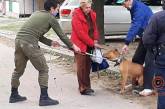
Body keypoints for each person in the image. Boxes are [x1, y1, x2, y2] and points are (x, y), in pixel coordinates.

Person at [9, 0, 80, 106]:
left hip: (19, 41)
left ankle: (13, 95)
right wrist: (73, 46)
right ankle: (44, 98)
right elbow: (62, 35)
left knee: (18, 70)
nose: (57, 11)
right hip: (29, 44)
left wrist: (50, 42)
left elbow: (36, 33)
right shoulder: (51, 18)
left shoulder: (36, 13)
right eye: (57, 9)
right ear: (52, 9)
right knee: (43, 69)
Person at [120, 0, 154, 95]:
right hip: (145, 36)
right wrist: (134, 36)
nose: (123, 6)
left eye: (123, 3)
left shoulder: (139, 9)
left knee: (149, 62)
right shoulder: (133, 7)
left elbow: (136, 25)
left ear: (129, 0)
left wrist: (126, 43)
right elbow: (136, 24)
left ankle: (148, 87)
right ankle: (135, 83)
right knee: (137, 59)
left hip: (152, 38)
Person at [71, 0, 102, 95]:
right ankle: (82, 88)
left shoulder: (91, 14)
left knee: (87, 66)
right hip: (79, 44)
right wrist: (92, 43)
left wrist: (96, 39)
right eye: (86, 7)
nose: (89, 9)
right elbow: (80, 34)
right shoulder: (76, 16)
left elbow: (95, 28)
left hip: (90, 43)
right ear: (82, 7)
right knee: (81, 66)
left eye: (90, 7)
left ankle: (87, 86)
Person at [143, 1, 165, 108]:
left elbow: (147, 39)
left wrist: (153, 51)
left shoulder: (157, 17)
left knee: (161, 87)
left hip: (162, 56)